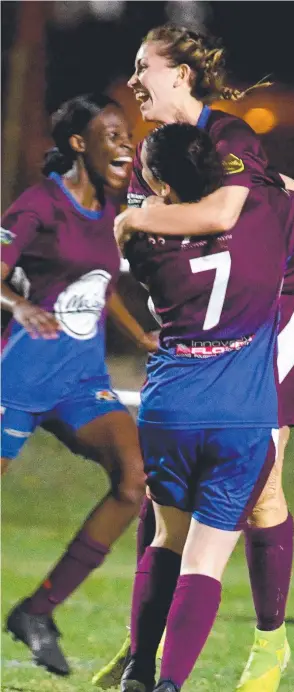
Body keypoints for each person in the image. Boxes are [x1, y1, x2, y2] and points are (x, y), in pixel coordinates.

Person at [93, 24, 294, 692]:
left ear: (182, 75)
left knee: (260, 489)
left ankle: (268, 647)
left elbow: (224, 212)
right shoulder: (149, 154)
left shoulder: (229, 138)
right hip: (213, 320)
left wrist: (132, 223)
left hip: (270, 314)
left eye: (144, 67)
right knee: (170, 500)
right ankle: (147, 647)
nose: (133, 80)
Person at [1, 93, 158, 677]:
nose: (125, 145)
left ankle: (37, 611)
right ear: (78, 145)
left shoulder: (110, 210)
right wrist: (17, 306)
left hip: (79, 379)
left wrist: (137, 333)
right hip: (18, 377)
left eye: (127, 136)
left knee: (134, 478)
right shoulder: (38, 204)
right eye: (113, 135)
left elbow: (99, 284)